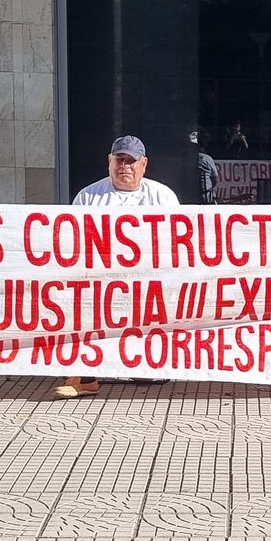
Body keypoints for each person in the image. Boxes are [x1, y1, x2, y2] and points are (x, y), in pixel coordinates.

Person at [53, 136, 181, 400]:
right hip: (100, 282)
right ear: (109, 162)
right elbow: (72, 242)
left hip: (147, 281)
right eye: (119, 160)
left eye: (131, 161)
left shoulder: (163, 197)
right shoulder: (88, 197)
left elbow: (176, 242)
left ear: (143, 164)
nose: (125, 166)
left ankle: (145, 365)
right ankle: (85, 376)